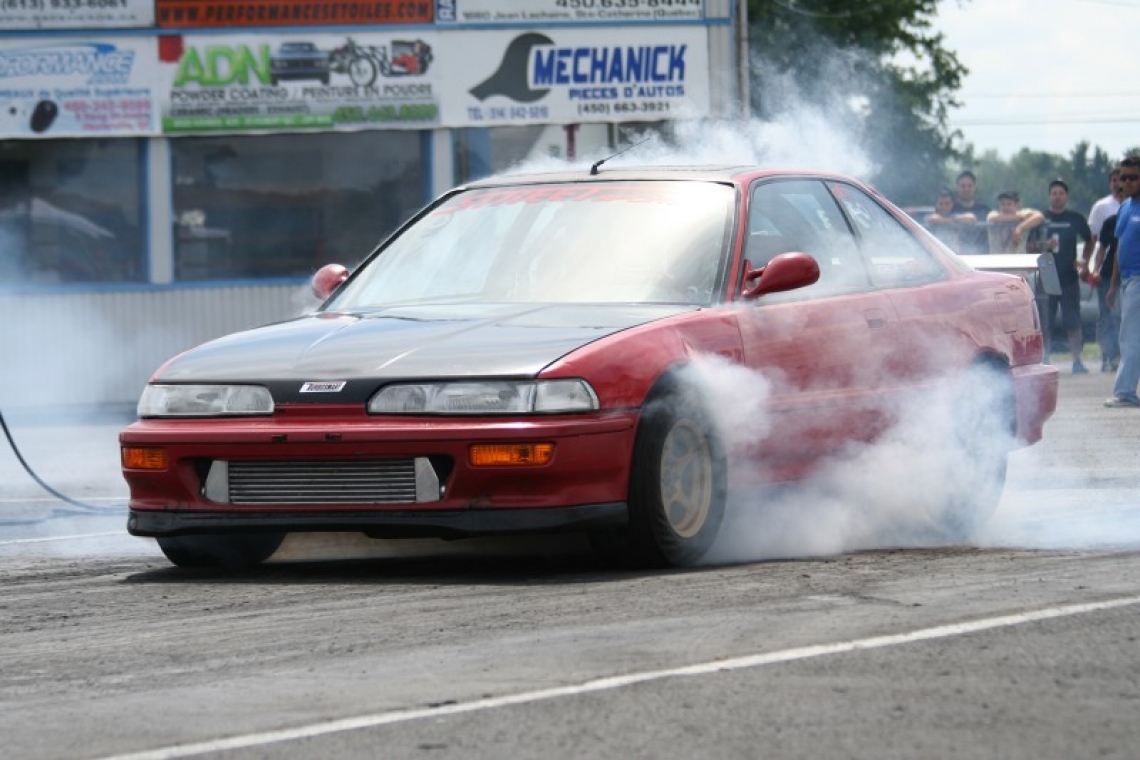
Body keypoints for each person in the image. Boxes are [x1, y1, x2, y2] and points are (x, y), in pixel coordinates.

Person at [1030, 178, 1092, 373]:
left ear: (1066, 196)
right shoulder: (1040, 219)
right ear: (1049, 196)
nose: (1057, 197)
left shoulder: (1075, 218)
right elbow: (1029, 246)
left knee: (1072, 319)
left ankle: (1077, 360)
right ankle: (1045, 358)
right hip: (1047, 270)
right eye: (1054, 193)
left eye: (1061, 193)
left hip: (1069, 273)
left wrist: (1084, 260)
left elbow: (1090, 240)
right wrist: (1043, 246)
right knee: (1045, 319)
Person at [1105, 156, 1140, 407]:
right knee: (1129, 335)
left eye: (1132, 177)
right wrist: (1113, 284)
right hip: (1128, 281)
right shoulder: (1126, 207)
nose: (1126, 182)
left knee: (1130, 337)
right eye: (1123, 178)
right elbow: (1118, 248)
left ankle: (1125, 392)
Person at [1086, 167, 1126, 372]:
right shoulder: (1110, 221)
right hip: (1109, 273)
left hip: (1130, 274)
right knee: (1108, 317)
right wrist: (1095, 269)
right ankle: (1109, 356)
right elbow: (1101, 247)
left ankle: (1124, 357)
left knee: (1124, 317)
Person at [950, 170, 991, 254]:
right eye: (963, 186)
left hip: (983, 258)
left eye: (969, 186)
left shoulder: (984, 209)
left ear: (975, 187)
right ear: (957, 187)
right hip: (956, 258)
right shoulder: (950, 209)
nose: (966, 189)